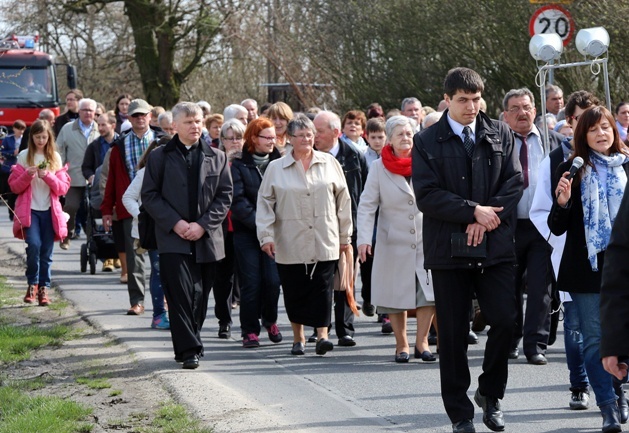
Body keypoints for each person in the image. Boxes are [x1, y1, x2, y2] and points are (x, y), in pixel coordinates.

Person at [413, 67, 523, 433]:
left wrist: (484, 217)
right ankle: (460, 413)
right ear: (447, 99)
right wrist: (470, 210)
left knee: (506, 321)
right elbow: (427, 196)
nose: (471, 107)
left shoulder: (500, 132)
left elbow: (514, 181)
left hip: (495, 247)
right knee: (455, 334)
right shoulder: (427, 141)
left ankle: (491, 395)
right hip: (448, 251)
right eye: (463, 100)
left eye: (476, 99)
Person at [550, 105, 628, 433]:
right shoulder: (573, 169)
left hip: (624, 264)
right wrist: (563, 202)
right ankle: (607, 407)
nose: (600, 134)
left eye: (605, 127)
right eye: (593, 129)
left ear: (614, 131)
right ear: (583, 135)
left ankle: (618, 389)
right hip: (588, 267)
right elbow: (556, 226)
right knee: (595, 338)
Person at [142, 102, 232, 369]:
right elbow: (149, 195)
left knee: (201, 295)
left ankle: (187, 344)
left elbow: (224, 197)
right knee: (180, 293)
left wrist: (202, 225)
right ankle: (190, 349)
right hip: (172, 238)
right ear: (176, 126)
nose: (196, 126)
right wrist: (176, 223)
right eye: (190, 122)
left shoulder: (218, 156)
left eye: (199, 121)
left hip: (206, 238)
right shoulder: (159, 157)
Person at [256, 113, 352, 356]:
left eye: (310, 135)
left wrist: (345, 236)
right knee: (294, 289)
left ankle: (322, 336)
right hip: (290, 239)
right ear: (289, 138)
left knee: (323, 288)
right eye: (301, 136)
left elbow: (343, 200)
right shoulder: (276, 168)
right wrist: (266, 236)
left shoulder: (329, 163)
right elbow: (265, 203)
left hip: (325, 237)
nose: (307, 140)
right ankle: (298, 338)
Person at [529, 90, 601, 412]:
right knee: (575, 325)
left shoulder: (616, 159)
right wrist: (562, 240)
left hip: (607, 259)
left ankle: (612, 389)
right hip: (572, 256)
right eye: (578, 119)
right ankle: (579, 385)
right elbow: (540, 210)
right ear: (569, 122)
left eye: (592, 118)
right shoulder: (556, 161)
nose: (586, 126)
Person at [357, 115, 436, 363]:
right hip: (393, 241)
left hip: (426, 238)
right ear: (389, 139)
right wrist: (363, 239)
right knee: (395, 296)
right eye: (400, 134)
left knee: (428, 293)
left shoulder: (426, 161)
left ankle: (422, 342)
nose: (405, 138)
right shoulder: (378, 167)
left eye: (409, 133)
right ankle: (401, 344)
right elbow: (367, 205)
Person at [501, 88, 563, 365]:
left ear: (535, 112)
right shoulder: (497, 144)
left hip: (543, 225)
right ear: (505, 115)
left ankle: (535, 345)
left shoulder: (555, 143)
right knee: (508, 286)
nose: (521, 113)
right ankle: (511, 338)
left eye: (526, 107)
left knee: (541, 287)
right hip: (509, 225)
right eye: (514, 108)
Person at [313, 110, 368, 347]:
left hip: (348, 226)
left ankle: (345, 329)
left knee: (345, 277)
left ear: (335, 133)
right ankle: (320, 328)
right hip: (317, 227)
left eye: (319, 131)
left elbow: (365, 194)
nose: (314, 136)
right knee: (320, 279)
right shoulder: (308, 156)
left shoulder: (355, 157)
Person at [102, 99, 157, 315]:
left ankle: (164, 301)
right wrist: (107, 209)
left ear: (150, 116)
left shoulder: (162, 141)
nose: (140, 118)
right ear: (128, 118)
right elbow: (112, 180)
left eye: (143, 114)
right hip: (130, 207)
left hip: (161, 206)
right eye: (135, 115)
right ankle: (137, 301)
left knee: (161, 258)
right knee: (135, 258)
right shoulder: (119, 146)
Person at [231, 117, 283, 348]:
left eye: (274, 137)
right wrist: (260, 225)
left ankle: (270, 320)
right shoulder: (239, 165)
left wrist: (271, 228)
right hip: (247, 232)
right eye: (267, 137)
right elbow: (238, 201)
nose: (272, 142)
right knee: (251, 282)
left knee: (272, 281)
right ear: (253, 138)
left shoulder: (280, 162)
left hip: (275, 233)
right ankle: (249, 330)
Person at [8, 120, 70, 306]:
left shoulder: (55, 158)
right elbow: (14, 186)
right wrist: (27, 174)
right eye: (37, 137)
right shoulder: (24, 156)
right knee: (33, 246)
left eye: (44, 137)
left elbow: (62, 189)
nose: (41, 140)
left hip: (50, 210)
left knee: (46, 252)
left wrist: (48, 176)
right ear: (31, 138)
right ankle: (32, 284)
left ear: (49, 137)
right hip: (30, 210)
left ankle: (44, 288)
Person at [122, 136, 171, 330]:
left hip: (174, 229)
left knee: (173, 272)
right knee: (158, 271)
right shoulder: (144, 173)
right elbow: (128, 198)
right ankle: (159, 315)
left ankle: (175, 312)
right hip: (152, 232)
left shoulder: (179, 172)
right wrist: (142, 216)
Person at [211, 119, 246, 339]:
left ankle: (250, 322)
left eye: (238, 137)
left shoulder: (249, 162)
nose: (234, 142)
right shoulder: (214, 160)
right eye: (230, 138)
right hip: (221, 227)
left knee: (247, 277)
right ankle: (224, 320)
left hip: (244, 226)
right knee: (222, 278)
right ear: (222, 140)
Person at [56, 98, 100, 249]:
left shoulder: (100, 129)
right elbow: (59, 150)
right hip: (72, 176)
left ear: (95, 113)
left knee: (94, 209)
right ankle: (67, 234)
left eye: (90, 110)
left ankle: (94, 239)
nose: (87, 113)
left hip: (95, 177)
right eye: (84, 110)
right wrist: (60, 171)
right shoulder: (68, 129)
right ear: (79, 112)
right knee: (71, 206)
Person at [0, 120, 26, 221]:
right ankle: (12, 213)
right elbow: (2, 151)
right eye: (19, 129)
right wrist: (12, 153)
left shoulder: (25, 139)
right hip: (9, 167)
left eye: (22, 129)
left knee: (19, 193)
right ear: (14, 128)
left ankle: (20, 212)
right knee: (11, 192)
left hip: (22, 168)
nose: (21, 131)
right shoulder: (8, 139)